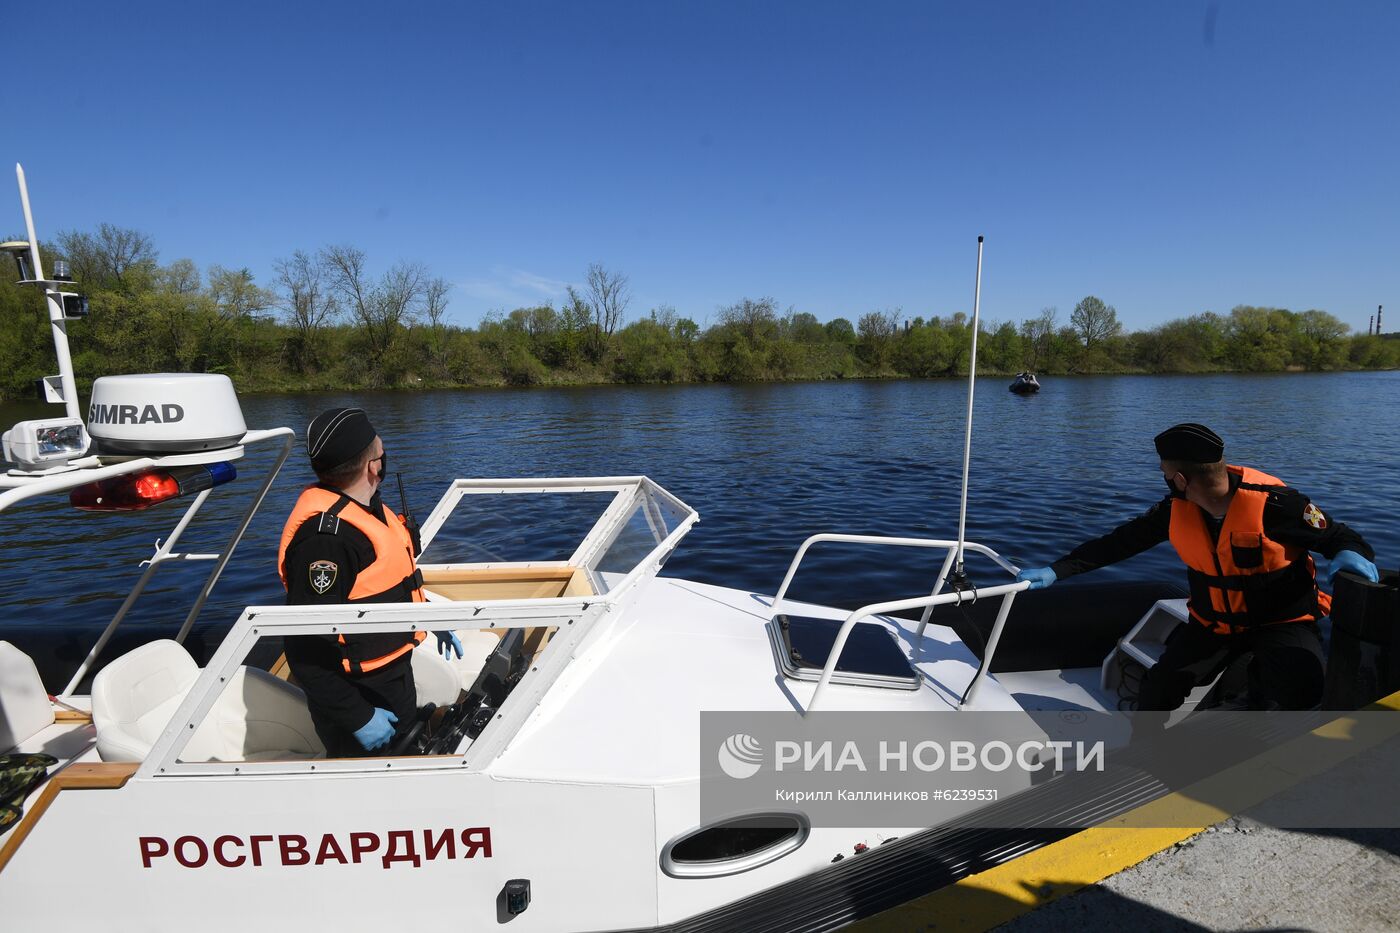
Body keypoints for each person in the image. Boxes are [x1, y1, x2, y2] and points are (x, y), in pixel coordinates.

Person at [1016, 423, 1379, 713]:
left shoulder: (1277, 505)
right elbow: (1121, 542)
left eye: (1164, 472)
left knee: (1304, 692)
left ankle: (1258, 714)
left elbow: (1339, 536)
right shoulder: (1175, 509)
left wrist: (1350, 554)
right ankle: (1146, 752)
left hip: (1280, 622)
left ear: (1181, 479)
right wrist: (1057, 570)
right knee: (1158, 691)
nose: (1163, 479)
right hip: (1214, 624)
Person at [277, 407, 461, 756]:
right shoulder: (327, 541)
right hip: (359, 701)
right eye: (381, 452)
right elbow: (304, 648)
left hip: (392, 681)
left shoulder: (368, 507)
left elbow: (380, 591)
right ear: (373, 467)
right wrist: (357, 717)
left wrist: (428, 616)